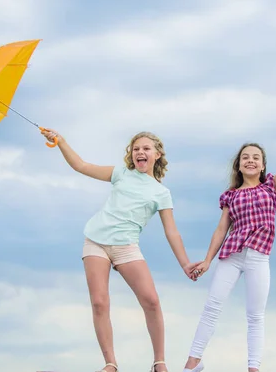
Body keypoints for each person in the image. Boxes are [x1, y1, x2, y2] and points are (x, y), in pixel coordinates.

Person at [41, 129, 202, 372]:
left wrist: (185, 264)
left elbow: (172, 232)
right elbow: (81, 166)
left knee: (151, 300)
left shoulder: (161, 193)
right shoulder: (121, 174)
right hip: (96, 241)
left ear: (157, 155)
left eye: (146, 149)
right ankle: (110, 364)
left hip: (126, 246)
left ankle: (159, 362)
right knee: (99, 302)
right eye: (136, 148)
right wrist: (61, 141)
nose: (140, 152)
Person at [181, 116, 276, 372]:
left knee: (255, 316)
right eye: (246, 157)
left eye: (256, 157)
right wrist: (208, 260)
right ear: (239, 165)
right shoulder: (231, 195)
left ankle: (253, 368)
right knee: (212, 306)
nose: (251, 160)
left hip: (258, 257)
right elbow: (221, 229)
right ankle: (192, 364)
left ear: (263, 164)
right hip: (231, 255)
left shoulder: (271, 187)